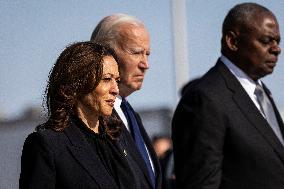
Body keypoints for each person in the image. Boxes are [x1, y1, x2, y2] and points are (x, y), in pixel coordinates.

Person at [172, 3, 284, 189]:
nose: (276, 49)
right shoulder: (205, 98)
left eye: (277, 42)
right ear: (232, 41)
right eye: (266, 41)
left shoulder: (262, 94)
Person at [19, 42, 141, 188]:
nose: (115, 89)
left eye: (117, 80)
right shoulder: (47, 145)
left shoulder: (117, 139)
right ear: (78, 82)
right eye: (107, 79)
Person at [91, 14, 161, 189]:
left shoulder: (131, 115)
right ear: (106, 53)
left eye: (148, 54)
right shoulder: (90, 119)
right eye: (137, 53)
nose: (145, 64)